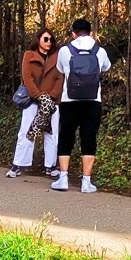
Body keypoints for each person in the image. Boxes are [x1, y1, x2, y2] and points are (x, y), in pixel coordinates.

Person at [52, 19, 111, 193]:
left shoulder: (64, 50)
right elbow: (106, 67)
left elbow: (61, 69)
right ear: (91, 33)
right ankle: (86, 182)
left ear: (73, 34)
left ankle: (63, 179)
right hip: (93, 101)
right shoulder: (99, 51)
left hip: (69, 100)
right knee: (89, 138)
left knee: (66, 137)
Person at [10, 29, 62, 179]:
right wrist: (38, 96)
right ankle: (18, 165)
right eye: (46, 39)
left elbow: (60, 78)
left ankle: (50, 166)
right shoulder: (29, 55)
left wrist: (50, 97)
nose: (49, 42)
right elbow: (27, 78)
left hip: (52, 102)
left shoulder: (57, 58)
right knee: (26, 131)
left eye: (51, 40)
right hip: (33, 100)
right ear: (38, 39)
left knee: (51, 134)